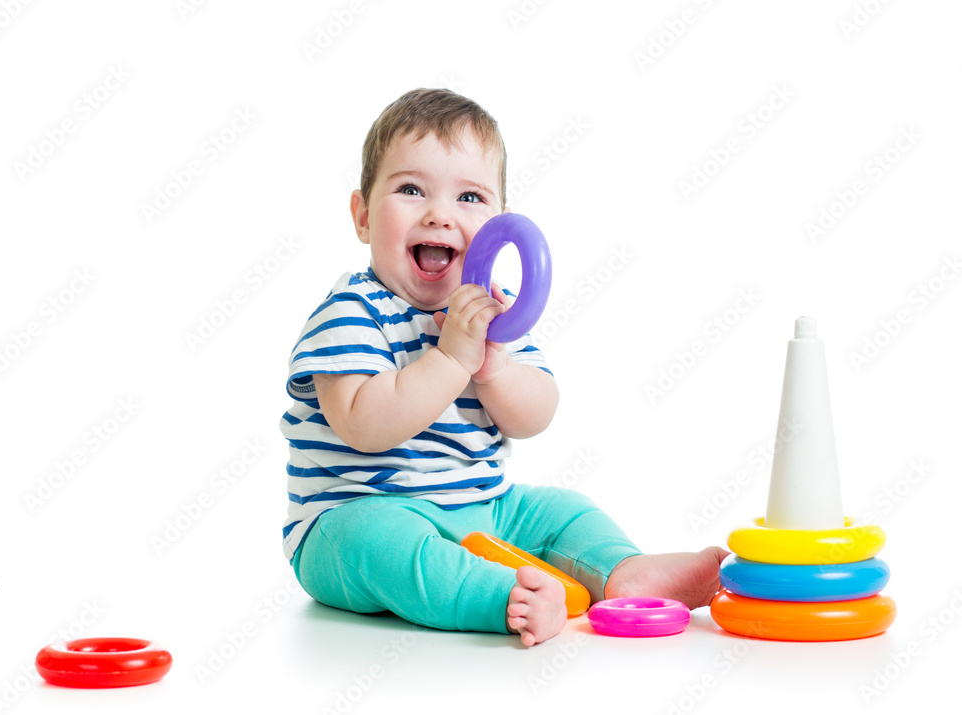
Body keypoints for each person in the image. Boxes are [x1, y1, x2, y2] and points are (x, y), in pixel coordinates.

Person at [280, 88, 726, 646]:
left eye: (469, 197)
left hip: (485, 506)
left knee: (561, 509)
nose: (440, 214)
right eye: (411, 189)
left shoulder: (491, 309)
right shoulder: (350, 311)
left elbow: (537, 413)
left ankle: (623, 571)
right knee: (382, 542)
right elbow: (363, 425)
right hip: (351, 518)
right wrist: (449, 360)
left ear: (498, 227)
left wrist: (494, 371)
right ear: (364, 216)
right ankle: (501, 599)